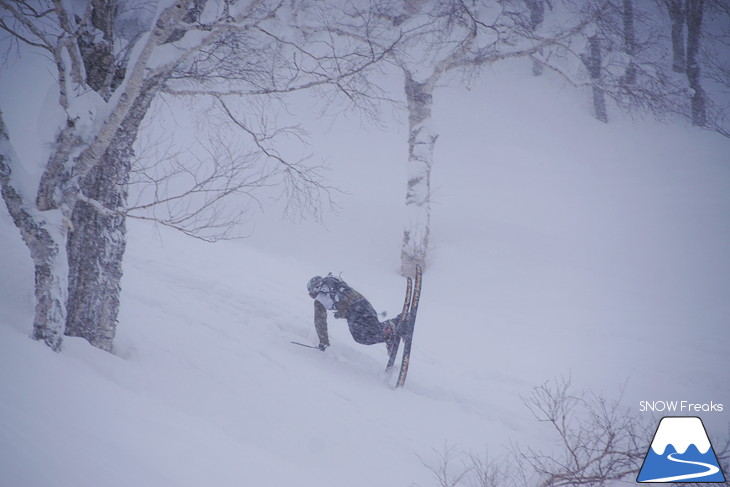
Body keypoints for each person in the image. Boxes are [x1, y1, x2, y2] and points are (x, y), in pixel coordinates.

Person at [307, 273, 401, 353]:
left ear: (314, 289)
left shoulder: (322, 295)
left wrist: (323, 342)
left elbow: (319, 321)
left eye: (311, 294)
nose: (313, 297)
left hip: (353, 311)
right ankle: (396, 326)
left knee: (361, 337)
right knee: (374, 331)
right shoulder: (334, 282)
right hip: (365, 305)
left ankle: (390, 330)